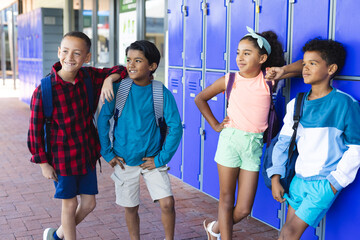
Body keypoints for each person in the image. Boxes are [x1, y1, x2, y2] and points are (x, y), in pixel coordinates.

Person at [27, 31, 127, 240]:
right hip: (61, 157)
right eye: (65, 52)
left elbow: (122, 69)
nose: (69, 58)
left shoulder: (89, 77)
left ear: (87, 57)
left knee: (89, 204)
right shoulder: (44, 90)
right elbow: (34, 131)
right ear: (59, 52)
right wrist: (43, 163)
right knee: (70, 203)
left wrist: (109, 79)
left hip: (86, 154)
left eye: (77, 53)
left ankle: (56, 236)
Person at [195, 26, 286, 240]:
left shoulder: (268, 79)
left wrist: (282, 70)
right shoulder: (230, 79)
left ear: (263, 57)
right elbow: (200, 98)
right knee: (226, 200)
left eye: (247, 53)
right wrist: (216, 125)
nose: (240, 57)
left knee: (244, 208)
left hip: (253, 145)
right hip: (230, 140)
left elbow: (302, 67)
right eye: (238, 52)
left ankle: (215, 228)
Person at [267, 38, 360, 239]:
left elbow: (356, 148)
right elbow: (282, 144)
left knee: (290, 233)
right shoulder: (297, 103)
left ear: (331, 68)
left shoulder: (345, 104)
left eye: (313, 63)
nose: (305, 68)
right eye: (304, 63)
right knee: (285, 231)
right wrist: (275, 176)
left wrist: (335, 182)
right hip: (298, 181)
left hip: (324, 183)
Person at [97, 40, 183, 240]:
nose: (131, 65)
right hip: (125, 160)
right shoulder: (119, 89)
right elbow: (103, 121)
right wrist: (107, 152)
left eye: (138, 61)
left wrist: (161, 158)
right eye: (128, 60)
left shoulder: (160, 92)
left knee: (168, 203)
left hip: (152, 160)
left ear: (152, 66)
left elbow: (175, 127)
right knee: (130, 207)